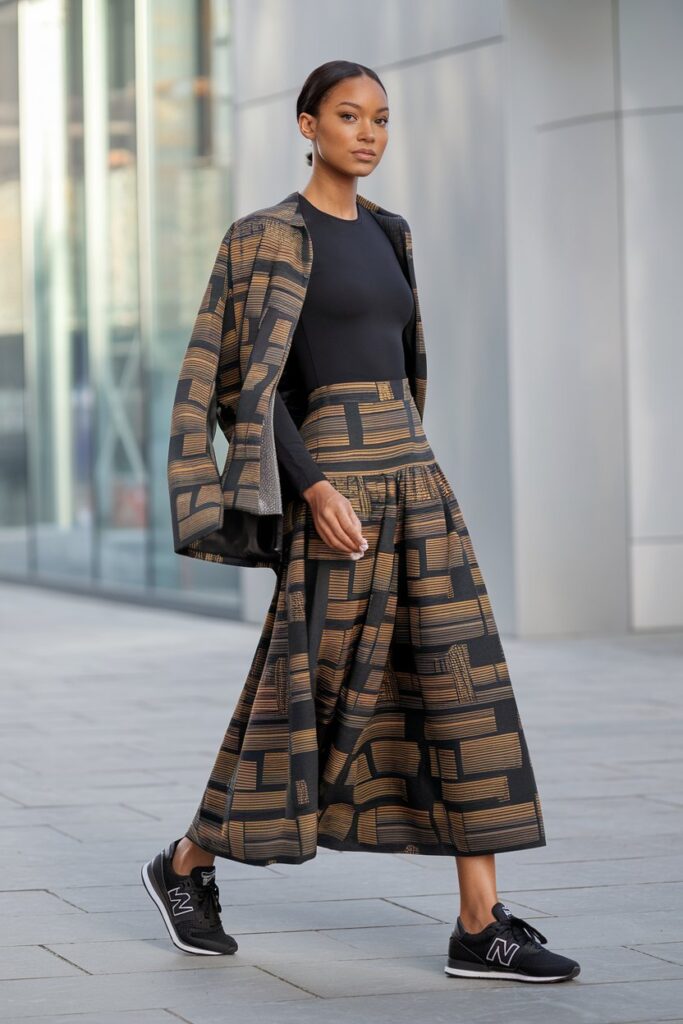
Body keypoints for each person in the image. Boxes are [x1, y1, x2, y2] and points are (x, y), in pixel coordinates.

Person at [142, 60, 580, 984]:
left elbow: (400, 365)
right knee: (304, 690)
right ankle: (184, 865)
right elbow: (239, 388)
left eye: (381, 118)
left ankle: (480, 922)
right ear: (308, 126)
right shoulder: (263, 237)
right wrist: (310, 487)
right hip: (333, 491)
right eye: (348, 116)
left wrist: (402, 464)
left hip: (416, 479)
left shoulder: (392, 233)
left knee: (463, 685)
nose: (368, 133)